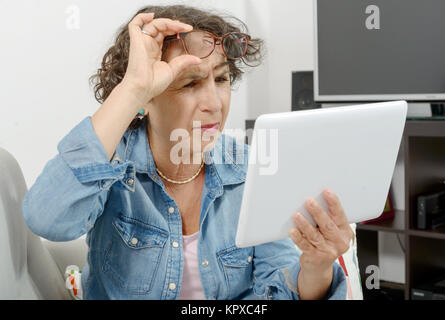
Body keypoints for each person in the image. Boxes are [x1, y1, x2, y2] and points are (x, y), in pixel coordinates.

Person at [22, 5, 353, 300]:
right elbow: (46, 218)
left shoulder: (253, 167)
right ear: (146, 100)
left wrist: (316, 267)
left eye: (221, 80)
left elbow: (278, 287)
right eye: (190, 84)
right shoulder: (115, 163)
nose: (214, 104)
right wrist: (133, 88)